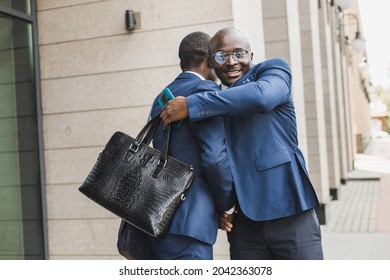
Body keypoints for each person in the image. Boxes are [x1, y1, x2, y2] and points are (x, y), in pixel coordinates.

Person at [160, 27, 324, 260]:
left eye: (239, 53)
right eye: (221, 56)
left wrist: (191, 105)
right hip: (243, 225)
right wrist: (222, 207)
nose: (231, 62)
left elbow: (261, 97)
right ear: (211, 62)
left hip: (291, 212)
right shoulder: (211, 95)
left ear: (251, 56)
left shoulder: (273, 71)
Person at [117, 31, 235, 260]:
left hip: (156, 215)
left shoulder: (161, 96)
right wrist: (227, 206)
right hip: (191, 222)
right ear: (208, 61)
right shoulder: (205, 92)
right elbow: (213, 157)